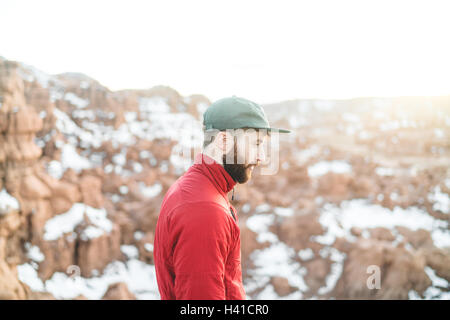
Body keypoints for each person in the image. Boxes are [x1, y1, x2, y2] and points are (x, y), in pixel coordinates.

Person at [153, 96, 290, 300]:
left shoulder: (198, 188)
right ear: (224, 141)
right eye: (256, 144)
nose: (262, 157)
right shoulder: (204, 209)